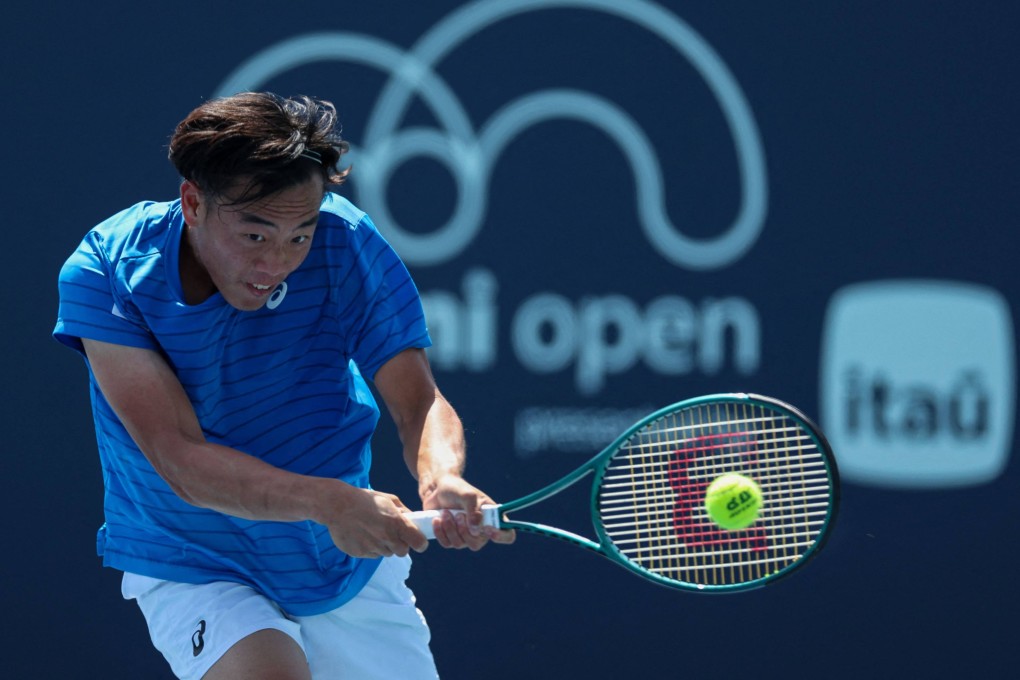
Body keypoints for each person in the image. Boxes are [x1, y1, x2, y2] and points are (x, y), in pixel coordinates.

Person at [53, 91, 514, 680]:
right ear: (193, 203)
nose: (278, 261)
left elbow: (416, 400)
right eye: (255, 236)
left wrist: (440, 476)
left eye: (300, 235)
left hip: (337, 560)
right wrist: (332, 503)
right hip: (192, 555)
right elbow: (181, 459)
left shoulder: (346, 241)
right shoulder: (106, 269)